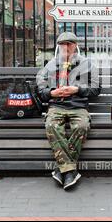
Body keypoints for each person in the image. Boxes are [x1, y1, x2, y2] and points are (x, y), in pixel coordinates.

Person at [36, 32, 101, 190]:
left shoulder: (87, 64)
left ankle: (62, 169)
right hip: (56, 106)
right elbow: (39, 88)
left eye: (69, 44)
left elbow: (96, 88)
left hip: (78, 106)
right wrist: (51, 93)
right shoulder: (50, 65)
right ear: (58, 46)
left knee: (81, 127)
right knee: (51, 126)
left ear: (75, 46)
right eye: (62, 44)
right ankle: (70, 171)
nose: (66, 47)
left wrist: (77, 89)